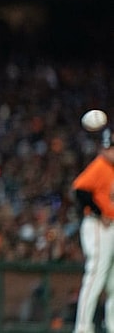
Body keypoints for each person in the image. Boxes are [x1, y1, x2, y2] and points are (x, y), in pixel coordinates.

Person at [72, 127, 114, 333]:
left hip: (111, 227)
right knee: (96, 274)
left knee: (113, 281)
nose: (111, 152)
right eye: (109, 148)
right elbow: (79, 191)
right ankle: (83, 328)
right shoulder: (100, 165)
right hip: (98, 227)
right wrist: (98, 212)